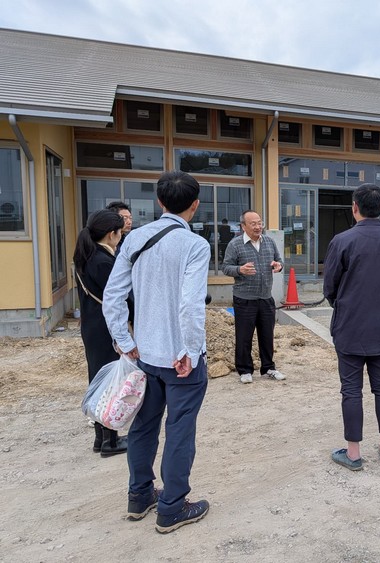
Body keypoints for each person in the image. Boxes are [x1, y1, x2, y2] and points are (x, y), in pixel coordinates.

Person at [103, 170, 211, 533]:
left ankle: (140, 496)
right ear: (195, 205)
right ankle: (172, 506)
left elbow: (113, 296)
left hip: (145, 355)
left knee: (143, 426)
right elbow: (191, 305)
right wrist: (190, 349)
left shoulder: (134, 238)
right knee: (180, 430)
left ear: (160, 202)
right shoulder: (195, 245)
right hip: (182, 361)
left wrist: (125, 340)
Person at [323, 184, 380, 471]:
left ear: (355, 207)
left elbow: (329, 286)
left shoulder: (342, 240)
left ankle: (354, 453)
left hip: (350, 326)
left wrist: (344, 304)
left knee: (351, 389)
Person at [73, 209, 128, 457]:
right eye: (120, 232)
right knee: (110, 382)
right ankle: (110, 441)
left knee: (99, 380)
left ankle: (101, 438)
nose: (121, 236)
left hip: (92, 327)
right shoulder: (103, 261)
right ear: (111, 234)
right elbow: (119, 297)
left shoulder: (87, 255)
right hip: (105, 328)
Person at [222, 210, 285, 383]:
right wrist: (240, 269)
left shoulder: (269, 242)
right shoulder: (235, 244)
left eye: (259, 223)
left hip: (266, 297)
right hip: (244, 299)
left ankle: (269, 368)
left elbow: (279, 261)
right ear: (243, 226)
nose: (258, 227)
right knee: (244, 336)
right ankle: (244, 370)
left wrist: (278, 266)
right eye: (253, 224)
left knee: (267, 336)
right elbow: (226, 267)